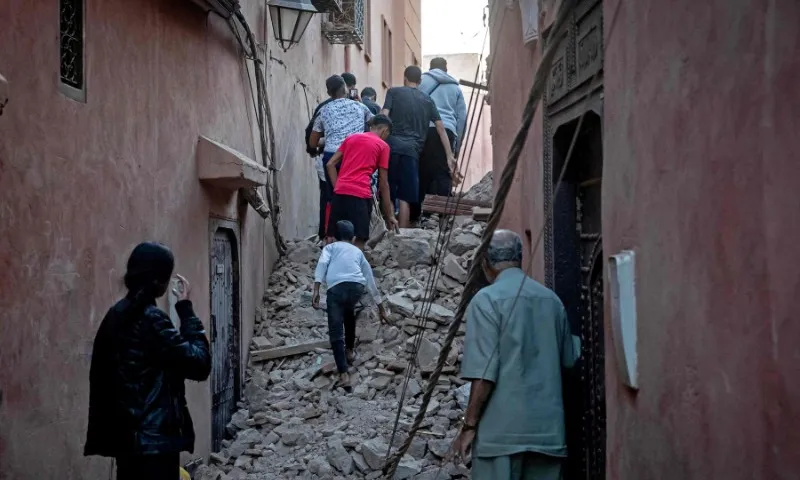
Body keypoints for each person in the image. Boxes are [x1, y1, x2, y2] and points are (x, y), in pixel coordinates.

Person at [452, 230, 581, 480]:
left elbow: (483, 374)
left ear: (485, 263)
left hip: (501, 438)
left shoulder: (486, 300)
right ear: (519, 259)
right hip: (548, 434)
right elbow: (569, 360)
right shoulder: (552, 301)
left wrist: (469, 426)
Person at [84, 242, 211, 480]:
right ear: (161, 282)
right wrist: (185, 309)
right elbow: (200, 364)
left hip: (126, 444)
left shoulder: (115, 316)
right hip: (155, 447)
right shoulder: (153, 321)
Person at [312, 220, 388, 390]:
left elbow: (322, 265)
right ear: (353, 238)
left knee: (335, 329)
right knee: (349, 312)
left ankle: (344, 374)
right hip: (356, 287)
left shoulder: (330, 248)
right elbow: (369, 278)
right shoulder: (357, 251)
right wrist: (381, 308)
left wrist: (316, 289)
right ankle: (350, 351)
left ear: (334, 238)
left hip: (336, 288)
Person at [381, 66, 457, 228]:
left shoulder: (393, 93)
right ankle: (401, 233)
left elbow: (383, 116)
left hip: (392, 148)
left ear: (405, 78)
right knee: (405, 195)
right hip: (412, 151)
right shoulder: (428, 100)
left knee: (387, 188)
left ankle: (388, 231)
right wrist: (449, 156)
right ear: (420, 81)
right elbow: (440, 128)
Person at [309, 75, 374, 240]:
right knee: (358, 194)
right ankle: (358, 236)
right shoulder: (360, 107)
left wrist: (328, 138)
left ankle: (330, 237)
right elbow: (375, 125)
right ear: (346, 88)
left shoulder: (324, 110)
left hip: (332, 157)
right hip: (356, 156)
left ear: (328, 92)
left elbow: (312, 142)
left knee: (333, 197)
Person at [326, 114, 398, 250]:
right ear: (385, 131)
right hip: (360, 195)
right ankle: (353, 267)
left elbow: (330, 164)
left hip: (340, 193)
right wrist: (389, 215)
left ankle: (332, 266)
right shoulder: (383, 146)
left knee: (334, 236)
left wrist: (338, 187)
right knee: (360, 238)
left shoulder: (351, 138)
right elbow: (383, 183)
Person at [413, 57, 467, 222]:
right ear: (446, 69)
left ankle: (421, 213)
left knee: (423, 170)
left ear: (430, 68)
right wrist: (456, 143)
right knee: (444, 171)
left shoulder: (421, 81)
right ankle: (444, 214)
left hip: (424, 130)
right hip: (448, 130)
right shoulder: (455, 88)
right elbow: (462, 118)